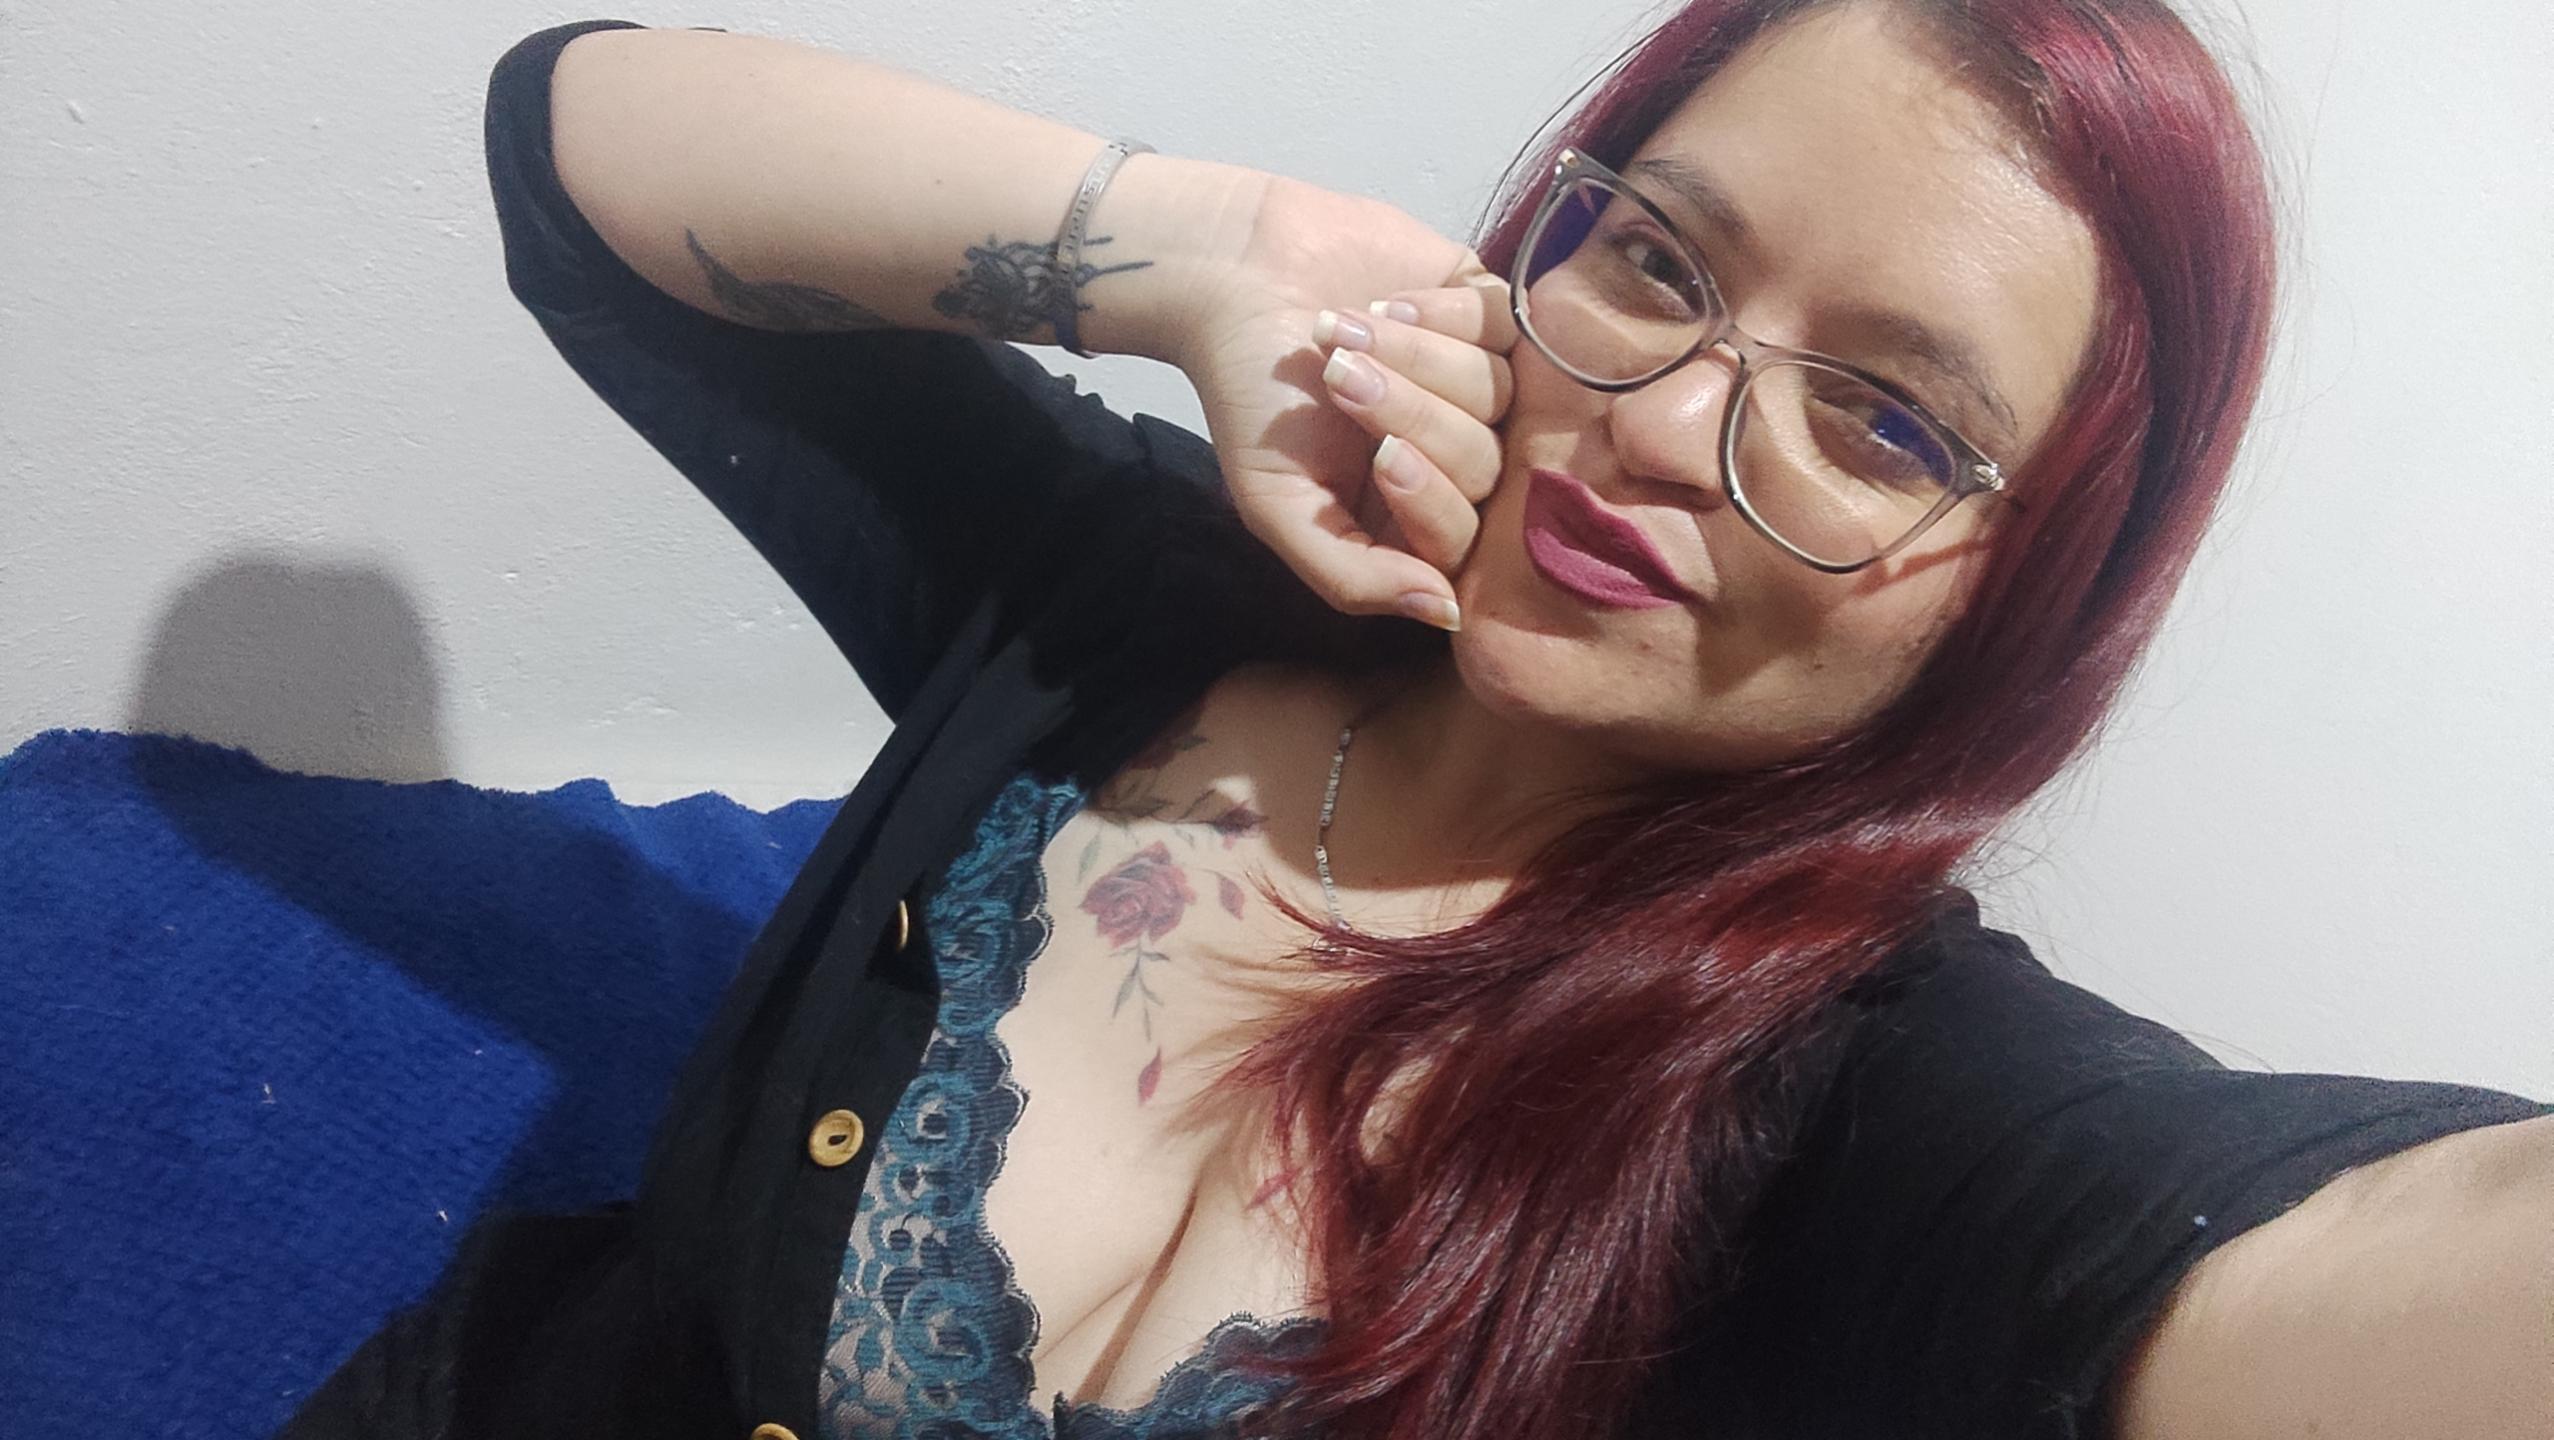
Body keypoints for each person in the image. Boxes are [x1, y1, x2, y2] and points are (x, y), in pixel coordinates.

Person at [281, 5, 2553, 1439]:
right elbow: (575, 150)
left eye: (1877, 419)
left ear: (2018, 590)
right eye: (1653, 261)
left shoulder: (1869, 1098)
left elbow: (2341, 1286)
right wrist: (1212, 243)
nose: (1655, 425)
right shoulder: (1119, 588)